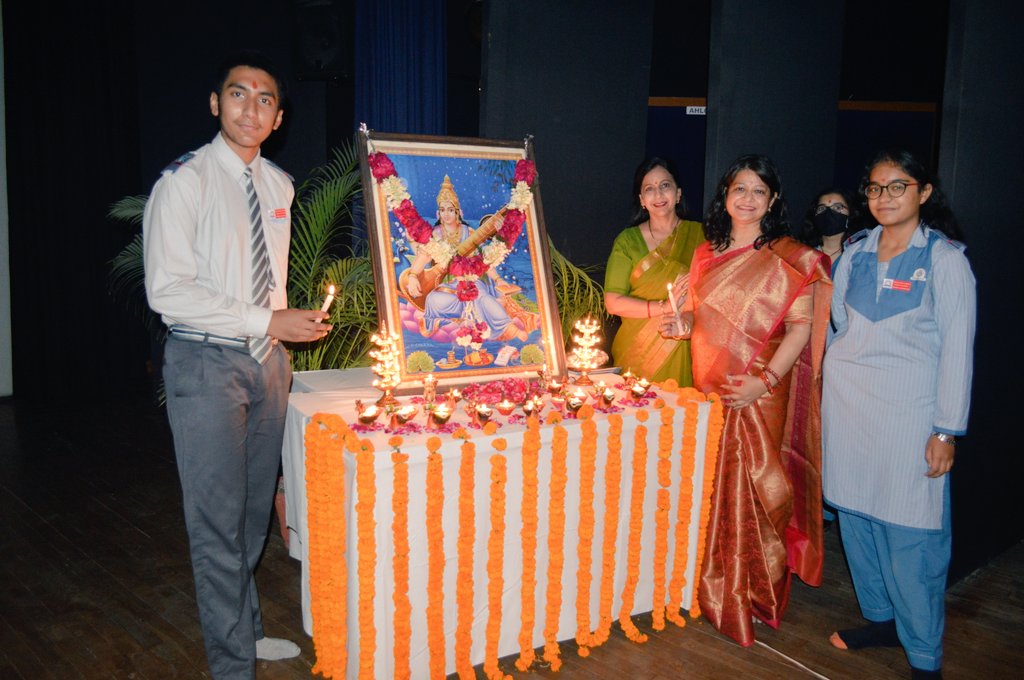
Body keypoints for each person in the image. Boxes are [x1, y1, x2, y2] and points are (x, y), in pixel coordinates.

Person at [143, 51, 331, 678]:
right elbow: (167, 290)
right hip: (204, 365)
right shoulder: (184, 181)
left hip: (267, 366)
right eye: (239, 94)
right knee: (216, 524)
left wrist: (287, 321)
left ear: (278, 118)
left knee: (252, 514)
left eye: (265, 99)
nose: (252, 107)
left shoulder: (279, 185)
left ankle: (245, 635)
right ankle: (231, 666)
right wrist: (265, 320)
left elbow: (264, 284)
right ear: (215, 103)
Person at [822, 150, 975, 680]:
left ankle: (924, 657)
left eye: (897, 187)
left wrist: (945, 430)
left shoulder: (945, 261)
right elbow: (839, 327)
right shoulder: (855, 252)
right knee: (858, 526)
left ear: (924, 192)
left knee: (913, 538)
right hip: (847, 415)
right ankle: (885, 622)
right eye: (874, 188)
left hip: (909, 422)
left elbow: (958, 349)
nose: (883, 198)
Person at [667, 154, 832, 646]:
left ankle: (755, 590)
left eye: (759, 191)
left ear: (773, 200)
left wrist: (766, 382)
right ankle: (713, 582)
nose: (747, 199)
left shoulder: (788, 257)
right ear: (725, 195)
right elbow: (699, 318)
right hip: (710, 389)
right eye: (739, 189)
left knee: (759, 489)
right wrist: (683, 326)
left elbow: (801, 329)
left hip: (758, 392)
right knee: (713, 488)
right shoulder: (705, 253)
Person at [603, 157, 704, 384]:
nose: (658, 195)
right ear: (641, 200)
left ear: (678, 193)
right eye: (649, 189)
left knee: (681, 415)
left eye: (665, 186)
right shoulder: (627, 241)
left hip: (684, 345)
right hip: (637, 350)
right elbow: (612, 301)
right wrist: (664, 308)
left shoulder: (701, 236)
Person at [402, 175, 533, 343]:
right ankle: (462, 318)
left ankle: (508, 327)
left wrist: (498, 279)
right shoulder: (436, 234)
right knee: (433, 300)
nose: (446, 214)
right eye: (443, 210)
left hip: (470, 278)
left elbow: (483, 261)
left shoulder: (468, 232)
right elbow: (424, 255)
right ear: (438, 213)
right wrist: (413, 276)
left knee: (480, 296)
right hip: (448, 284)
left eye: (450, 210)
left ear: (458, 212)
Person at [796, 187, 859, 275]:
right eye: (822, 208)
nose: (828, 212)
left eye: (837, 207)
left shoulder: (858, 254)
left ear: (851, 213)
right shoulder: (802, 255)